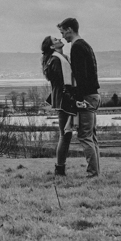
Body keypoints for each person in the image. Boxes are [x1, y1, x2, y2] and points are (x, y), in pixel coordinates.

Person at [57, 17, 101, 176]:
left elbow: (81, 76)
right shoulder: (85, 45)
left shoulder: (76, 47)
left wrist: (79, 99)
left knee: (84, 137)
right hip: (94, 95)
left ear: (69, 29)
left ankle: (92, 173)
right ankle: (95, 171)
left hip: (86, 97)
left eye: (63, 32)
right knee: (91, 137)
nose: (63, 36)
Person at [41, 35, 77, 175]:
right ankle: (59, 168)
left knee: (66, 133)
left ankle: (60, 167)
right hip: (64, 100)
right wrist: (71, 98)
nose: (59, 40)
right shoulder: (56, 60)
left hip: (63, 99)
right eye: (55, 40)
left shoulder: (60, 58)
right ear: (52, 47)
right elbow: (62, 84)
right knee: (65, 134)